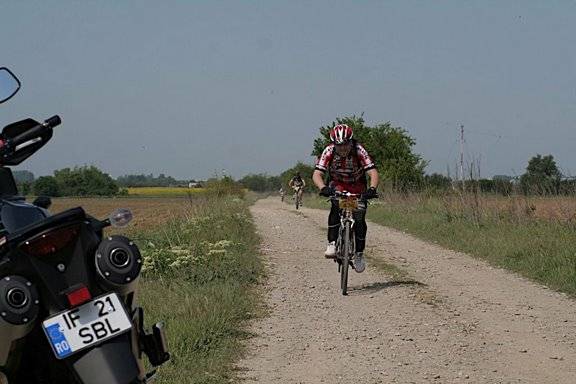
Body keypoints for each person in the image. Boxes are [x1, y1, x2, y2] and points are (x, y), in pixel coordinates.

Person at [312, 123, 379, 273]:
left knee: (360, 217)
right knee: (336, 208)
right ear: (333, 144)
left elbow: (372, 171)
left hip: (357, 185)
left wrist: (372, 189)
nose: (343, 148)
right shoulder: (328, 150)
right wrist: (323, 188)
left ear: (351, 141)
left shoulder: (359, 150)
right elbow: (317, 173)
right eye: (339, 145)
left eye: (346, 144)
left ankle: (359, 254)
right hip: (338, 184)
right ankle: (332, 242)